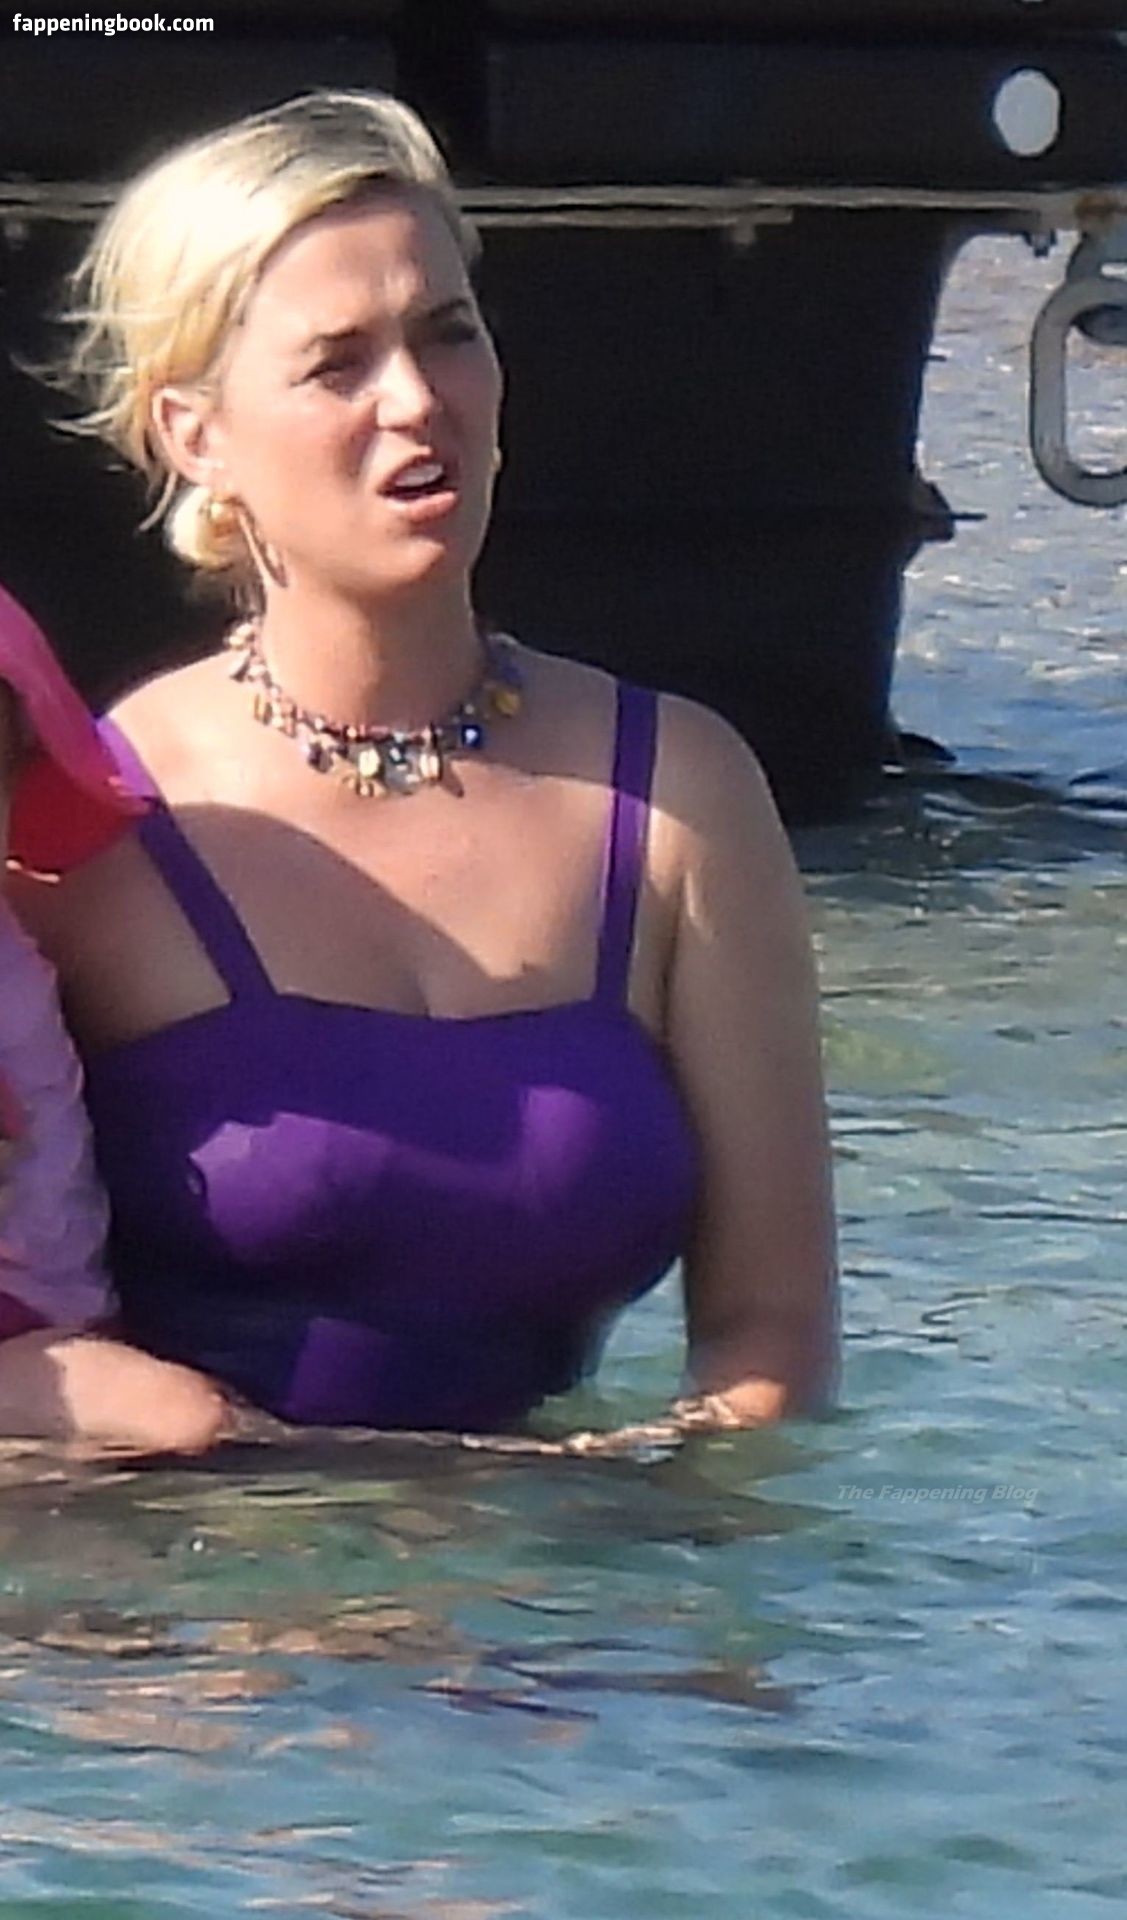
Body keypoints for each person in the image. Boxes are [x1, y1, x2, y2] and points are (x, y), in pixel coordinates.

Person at [8, 88, 838, 1449]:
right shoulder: (83, 831)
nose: (415, 400)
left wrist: (648, 1501)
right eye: (337, 363)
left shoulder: (675, 800)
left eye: (448, 332)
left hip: (565, 1559)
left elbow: (772, 1326)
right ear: (196, 435)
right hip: (175, 1563)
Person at [0, 584, 229, 1449]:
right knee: (167, 1416)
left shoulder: (17, 954)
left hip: (45, 1321)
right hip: (32, 1344)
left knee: (173, 1416)